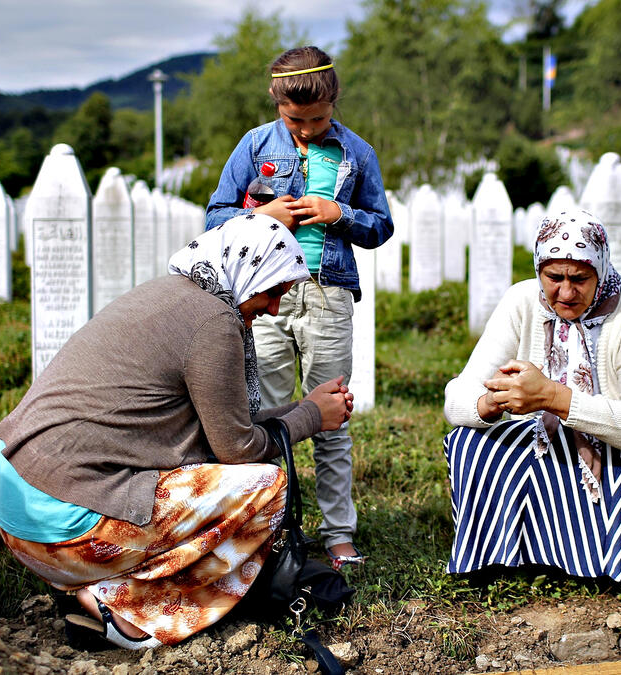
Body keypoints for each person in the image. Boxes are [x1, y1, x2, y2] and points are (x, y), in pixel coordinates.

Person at [0, 215, 354, 649]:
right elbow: (238, 448)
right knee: (268, 486)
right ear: (246, 271)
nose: (274, 309)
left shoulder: (173, 294)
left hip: (20, 515)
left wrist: (305, 406)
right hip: (68, 530)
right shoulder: (213, 321)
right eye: (273, 291)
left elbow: (223, 423)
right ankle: (122, 608)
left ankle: (80, 588)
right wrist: (311, 418)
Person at [204, 45, 394, 569]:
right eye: (296, 119)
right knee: (261, 415)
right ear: (275, 101)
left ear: (335, 102)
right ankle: (270, 527)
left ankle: (338, 532)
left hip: (329, 293)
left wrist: (341, 214)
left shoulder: (358, 152)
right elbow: (215, 214)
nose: (308, 129)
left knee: (331, 413)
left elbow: (380, 226)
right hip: (267, 296)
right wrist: (261, 214)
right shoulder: (253, 145)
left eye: (319, 119)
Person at [442, 210, 621, 584]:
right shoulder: (522, 302)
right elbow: (456, 397)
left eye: (580, 278)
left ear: (601, 271)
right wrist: (492, 401)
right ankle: (509, 555)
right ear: (539, 268)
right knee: (469, 441)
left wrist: (553, 397)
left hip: (615, 446)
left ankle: (604, 559)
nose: (566, 292)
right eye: (553, 277)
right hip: (545, 445)